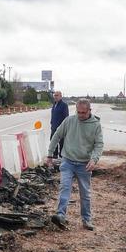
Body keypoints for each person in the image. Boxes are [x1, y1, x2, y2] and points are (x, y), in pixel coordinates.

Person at [47, 98, 103, 230]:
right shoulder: (69, 121)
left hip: (84, 164)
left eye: (83, 112)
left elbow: (99, 144)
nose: (81, 115)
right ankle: (60, 215)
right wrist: (50, 154)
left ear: (90, 110)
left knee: (85, 193)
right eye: (78, 112)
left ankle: (86, 219)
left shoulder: (95, 125)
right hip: (68, 161)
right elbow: (57, 136)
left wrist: (94, 159)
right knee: (64, 187)